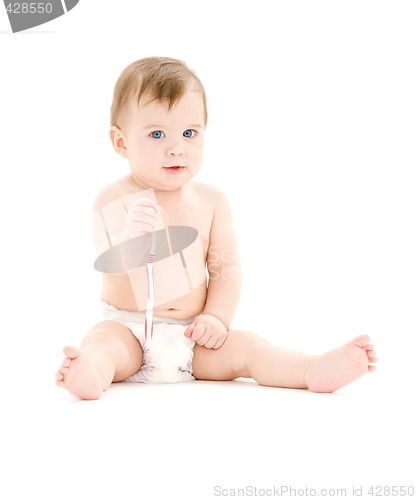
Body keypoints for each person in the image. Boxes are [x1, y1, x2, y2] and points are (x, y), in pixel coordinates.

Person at [55, 57, 377, 400]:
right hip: (130, 327)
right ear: (121, 142)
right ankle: (92, 373)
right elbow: (110, 260)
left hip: (195, 336)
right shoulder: (114, 197)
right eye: (156, 134)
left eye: (189, 133)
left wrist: (216, 318)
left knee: (250, 347)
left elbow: (225, 267)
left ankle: (310, 369)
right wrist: (129, 236)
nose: (176, 146)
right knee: (104, 343)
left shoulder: (210, 201)